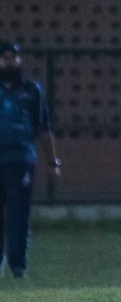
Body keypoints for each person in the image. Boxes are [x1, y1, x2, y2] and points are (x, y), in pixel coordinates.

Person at [0, 41, 61, 280]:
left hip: (21, 158)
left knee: (18, 213)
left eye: (14, 57)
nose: (10, 62)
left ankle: (17, 265)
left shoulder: (32, 90)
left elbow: (44, 128)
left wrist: (53, 162)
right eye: (5, 58)